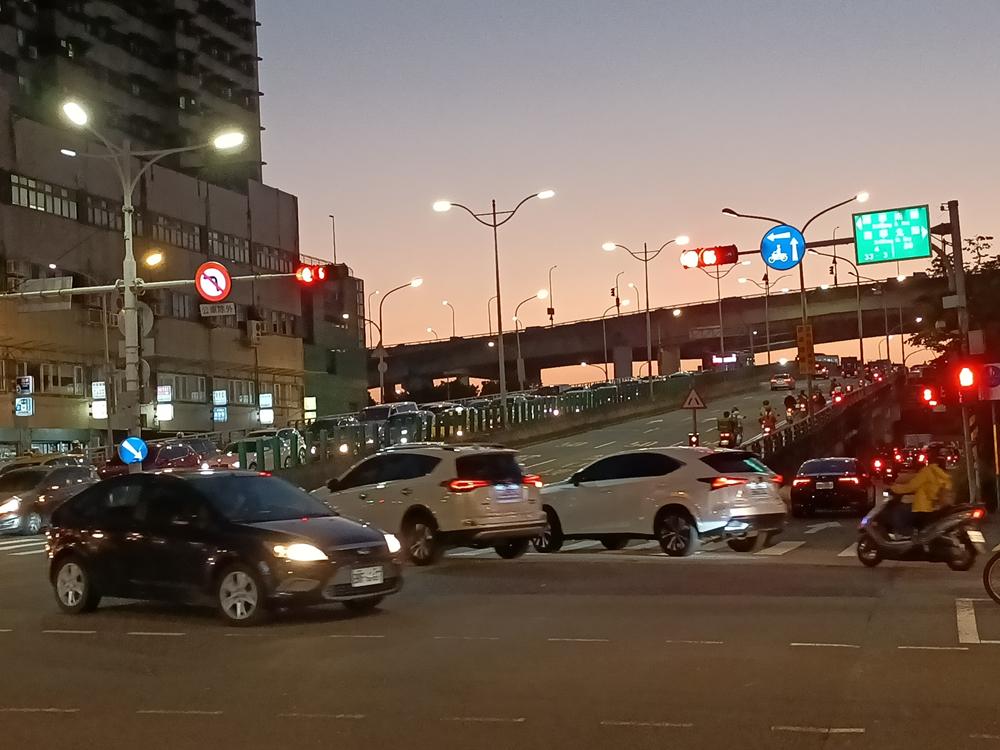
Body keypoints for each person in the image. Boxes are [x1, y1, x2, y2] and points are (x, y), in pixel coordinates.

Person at [890, 446, 953, 533]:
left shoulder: (928, 471)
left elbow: (912, 486)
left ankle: (904, 534)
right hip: (937, 508)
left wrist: (894, 489)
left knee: (899, 512)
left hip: (923, 508)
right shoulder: (945, 475)